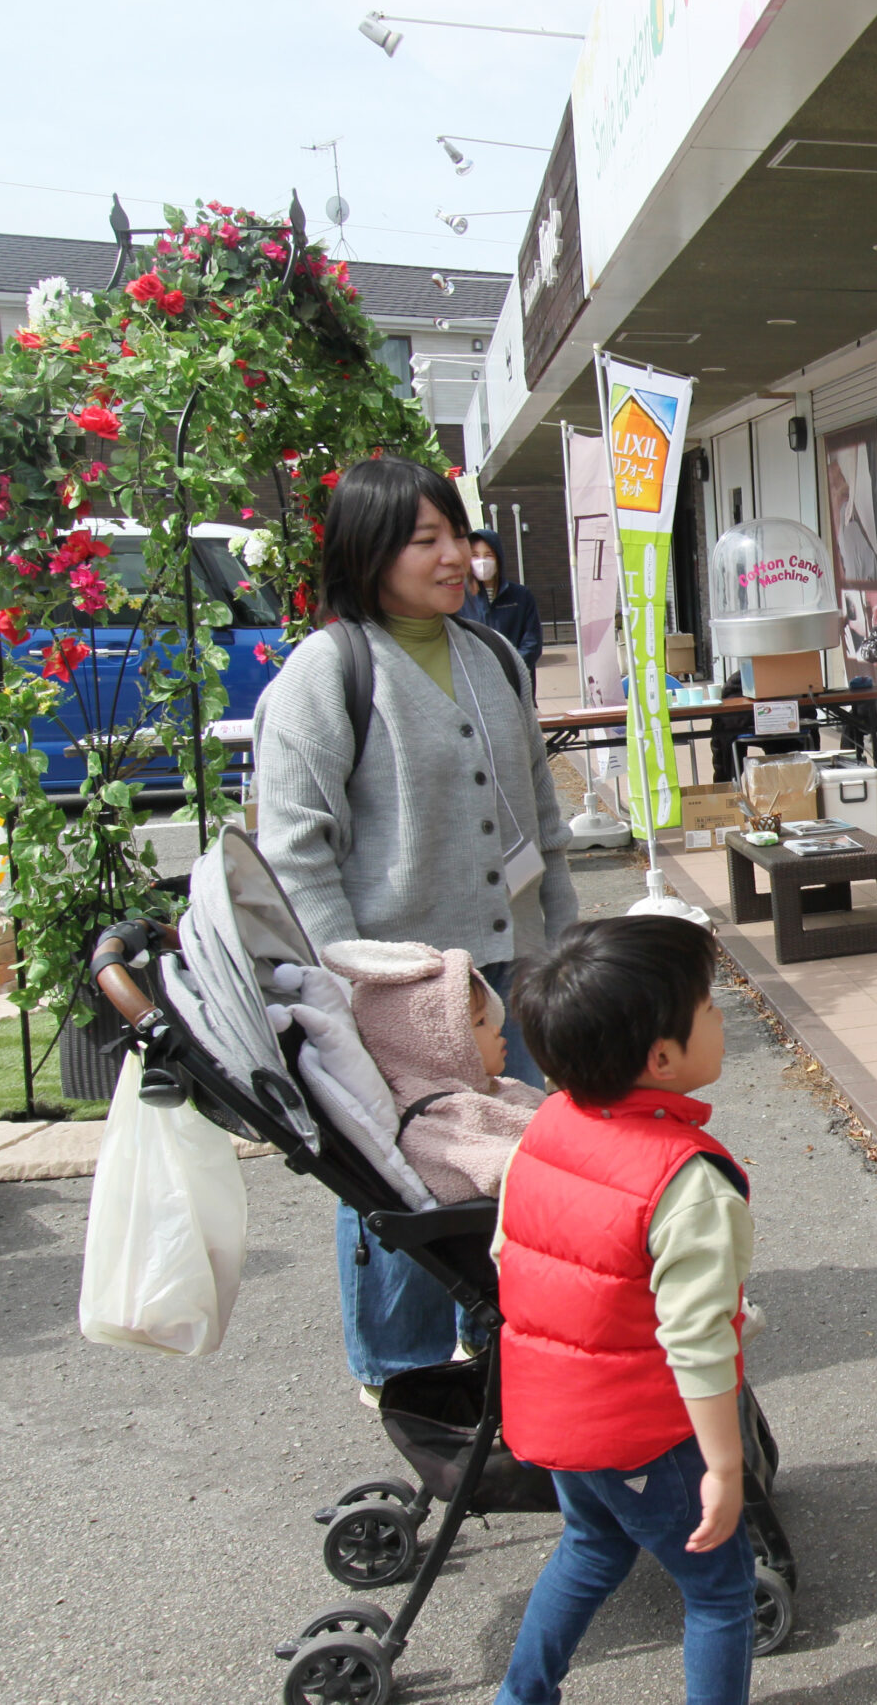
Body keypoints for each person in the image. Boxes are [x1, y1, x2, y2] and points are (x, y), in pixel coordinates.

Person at [253, 454, 577, 1398]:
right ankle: (398, 1365)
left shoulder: (494, 655)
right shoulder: (329, 671)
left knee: (506, 1151)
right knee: (403, 1174)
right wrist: (344, 982)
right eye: (424, 539)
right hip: (393, 987)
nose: (455, 558)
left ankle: (491, 1327)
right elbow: (295, 850)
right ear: (369, 552)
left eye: (456, 537)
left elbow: (541, 818)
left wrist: (559, 944)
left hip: (508, 966)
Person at [494, 915, 756, 1705]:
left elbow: (508, 1250)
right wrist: (725, 1464)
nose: (721, 1017)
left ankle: (521, 1695)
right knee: (719, 1589)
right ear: (661, 1056)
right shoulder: (689, 1183)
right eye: (710, 1006)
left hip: (554, 1414)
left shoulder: (546, 1124)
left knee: (590, 1546)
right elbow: (696, 1340)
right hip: (644, 1431)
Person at [322, 939, 542, 1205]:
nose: (496, 1028)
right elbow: (497, 1167)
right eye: (480, 1022)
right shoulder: (432, 1120)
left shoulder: (495, 1088)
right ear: (435, 1044)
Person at [466, 528, 545, 696]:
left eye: (488, 555)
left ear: (498, 558)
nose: (482, 561)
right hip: (475, 689)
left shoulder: (521, 596)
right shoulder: (460, 599)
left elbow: (532, 642)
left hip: (515, 686)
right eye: (475, 555)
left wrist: (508, 669)